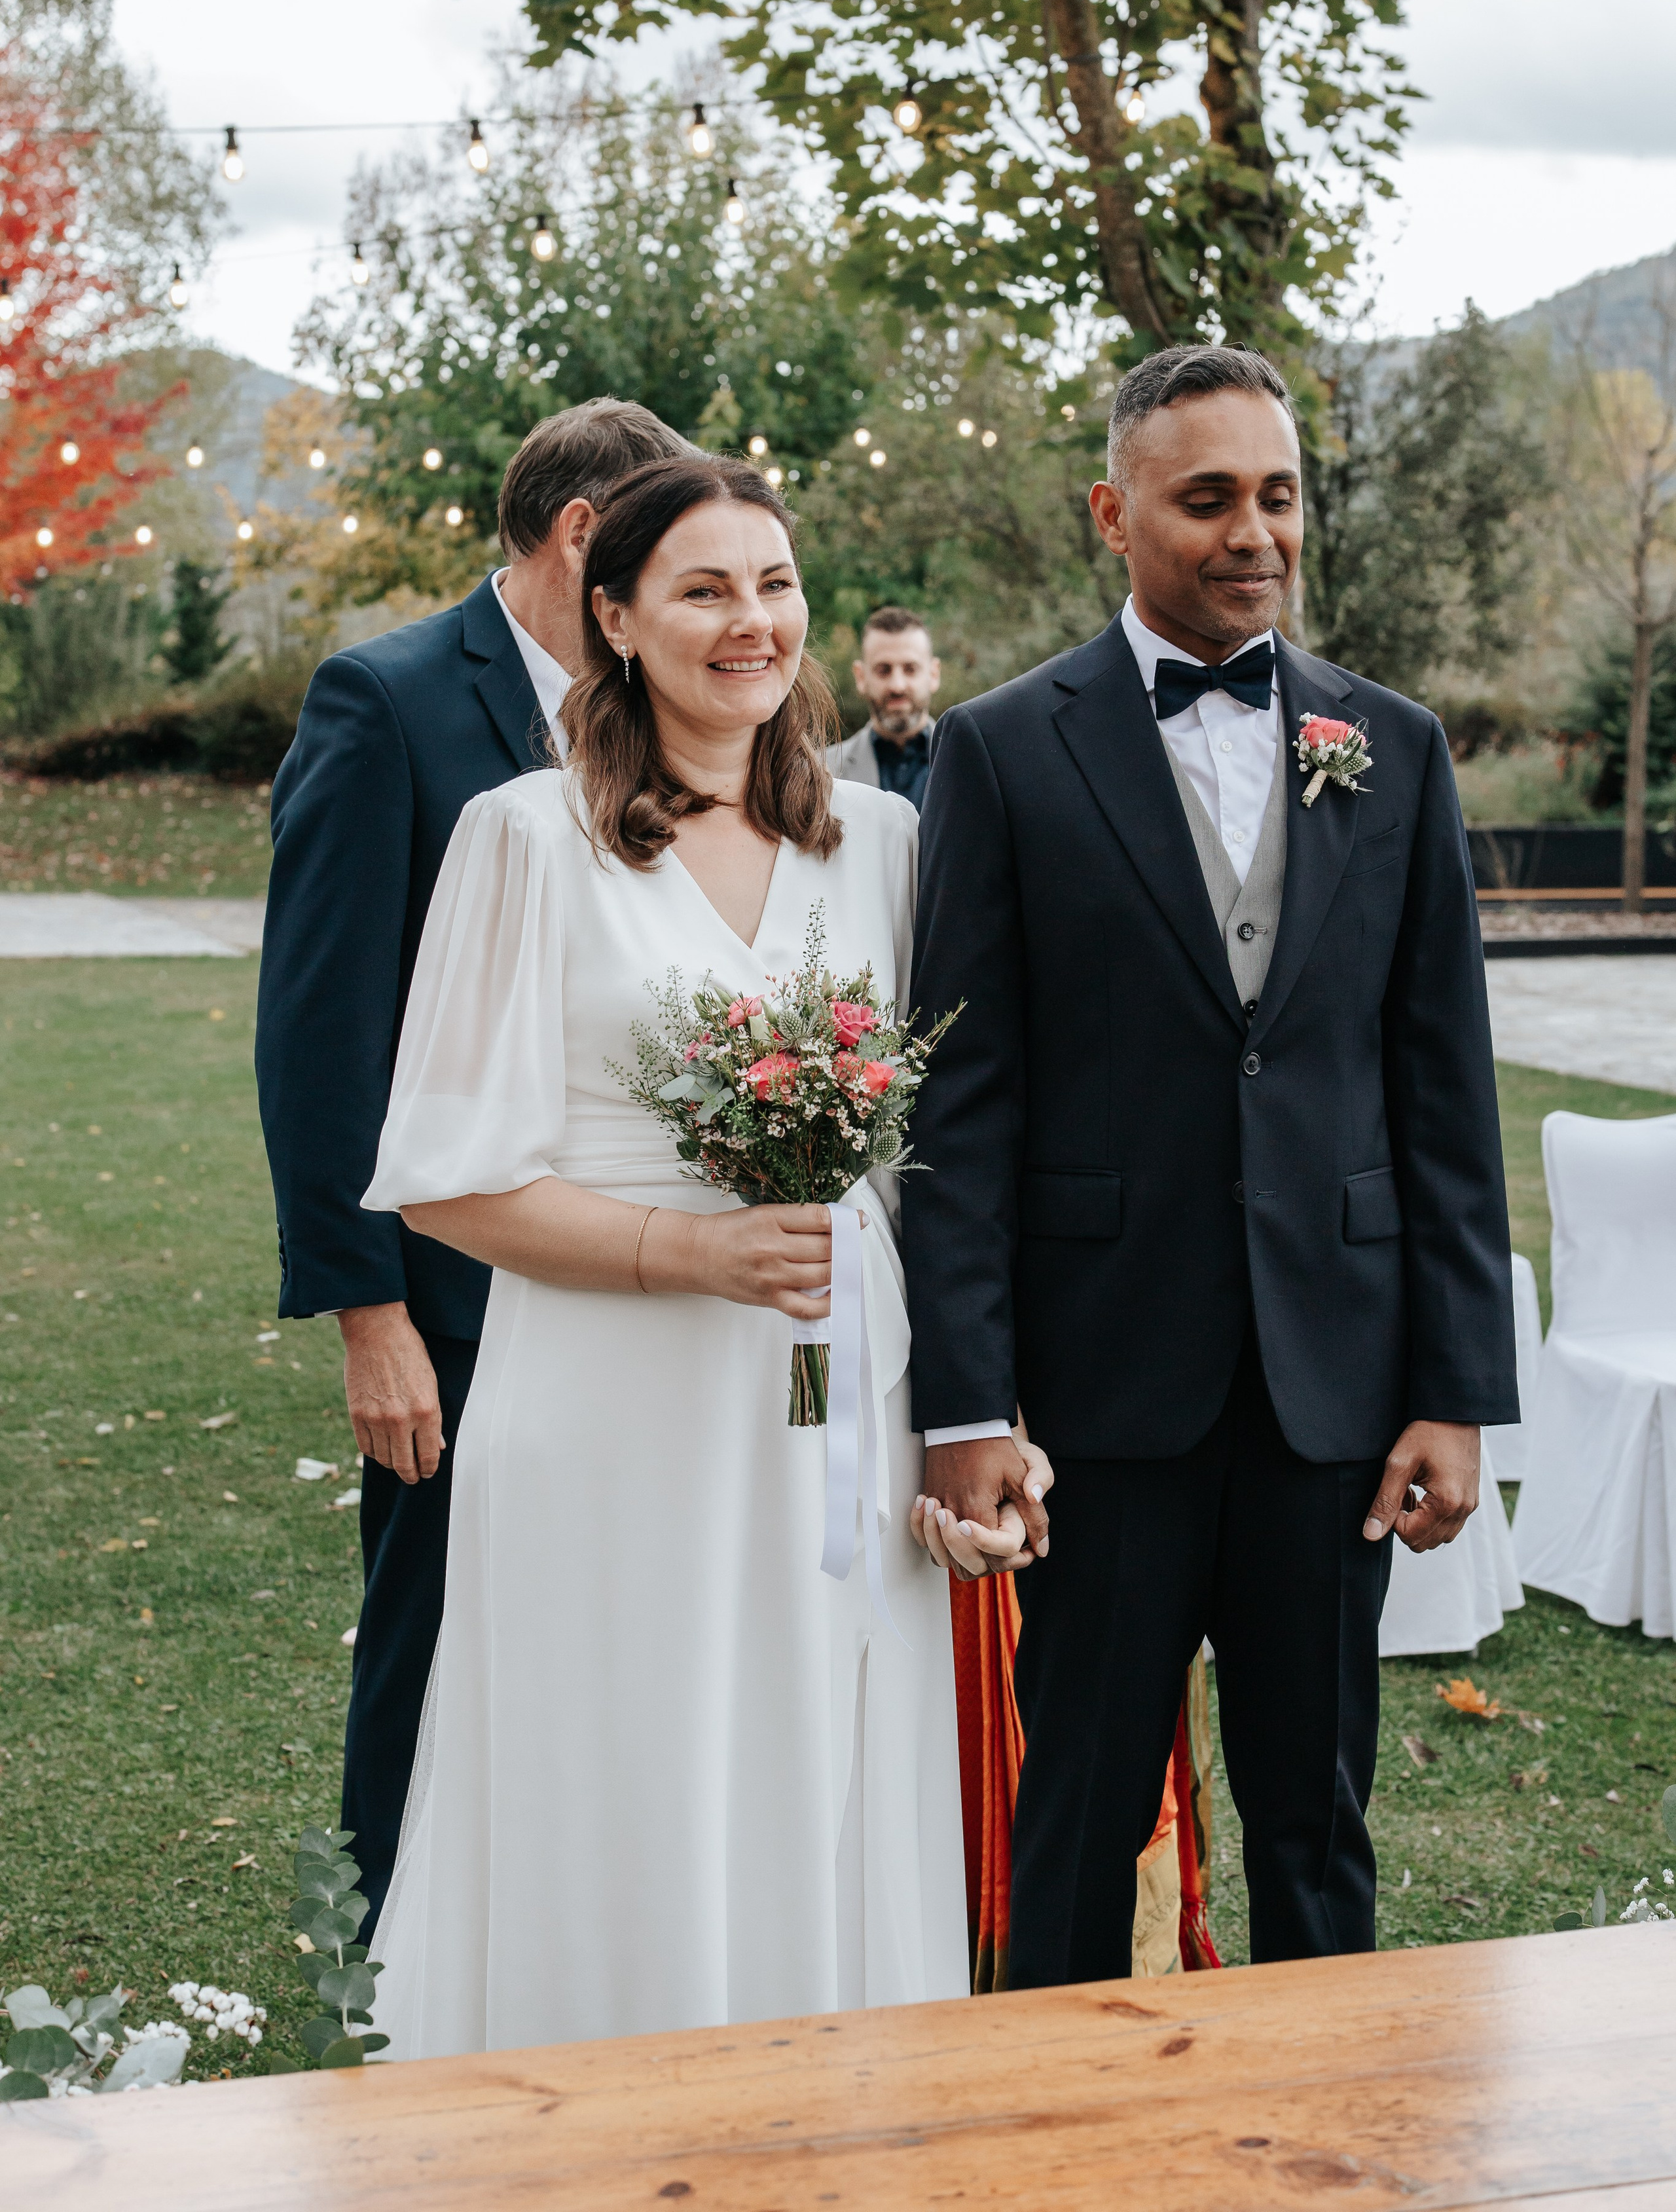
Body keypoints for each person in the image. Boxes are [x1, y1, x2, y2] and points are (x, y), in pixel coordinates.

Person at [903, 342, 1518, 1988]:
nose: (1253, 532)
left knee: (1315, 1816)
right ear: (1111, 511)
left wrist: (1452, 1388)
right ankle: (1051, 2138)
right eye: (1205, 499)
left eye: (1277, 494)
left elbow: (1439, 1089)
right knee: (1077, 1806)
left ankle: (1337, 2136)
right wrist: (967, 1406)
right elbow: (956, 1109)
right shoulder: (999, 749)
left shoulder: (1386, 745)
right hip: (1101, 1391)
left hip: (1331, 1389)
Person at [359, 454, 983, 2057]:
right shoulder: (521, 839)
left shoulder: (885, 843)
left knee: (821, 1752)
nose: (748, 622)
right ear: (613, 614)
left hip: (841, 1401)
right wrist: (687, 1254)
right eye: (701, 589)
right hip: (610, 1409)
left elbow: (939, 1166)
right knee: (628, 1754)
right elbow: (443, 1185)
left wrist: (970, 1411)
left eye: (771, 585)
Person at [254, 397, 689, 1928]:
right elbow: (321, 1031)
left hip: (646, 1273)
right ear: (586, 536)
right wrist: (370, 1316)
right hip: (456, 1292)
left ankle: (573, 1921)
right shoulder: (383, 702)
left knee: (603, 1625)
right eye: (665, 554)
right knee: (433, 1622)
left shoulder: (669, 708)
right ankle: (387, 1953)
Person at [827, 604, 940, 811]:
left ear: (934, 674)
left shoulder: (970, 764)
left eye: (910, 669)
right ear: (860, 677)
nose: (897, 686)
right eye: (883, 670)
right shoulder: (821, 771)